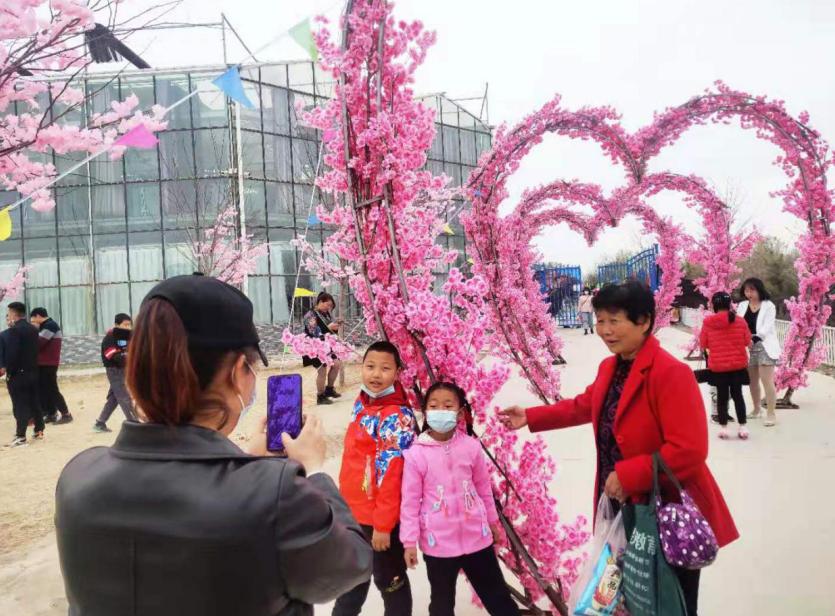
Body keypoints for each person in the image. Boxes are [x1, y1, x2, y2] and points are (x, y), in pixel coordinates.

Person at [55, 273, 372, 616]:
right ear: (238, 371)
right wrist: (313, 471)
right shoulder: (277, 494)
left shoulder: (78, 477)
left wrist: (243, 462)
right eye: (252, 369)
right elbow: (350, 564)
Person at [499, 281, 738, 616]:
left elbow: (689, 450)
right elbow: (585, 405)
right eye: (600, 321)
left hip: (663, 510)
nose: (605, 331)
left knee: (670, 599)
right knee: (632, 595)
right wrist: (532, 415)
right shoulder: (610, 367)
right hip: (621, 506)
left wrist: (628, 476)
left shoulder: (671, 373)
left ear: (643, 321)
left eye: (614, 321)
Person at [400, 382, 519, 616]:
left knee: (498, 598)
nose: (440, 410)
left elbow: (484, 489)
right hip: (439, 545)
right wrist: (409, 542)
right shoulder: (416, 455)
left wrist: (493, 523)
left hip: (477, 538)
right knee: (442, 604)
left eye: (447, 405)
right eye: (433, 406)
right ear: (425, 412)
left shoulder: (471, 447)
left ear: (460, 412)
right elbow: (410, 502)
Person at [333, 340, 416, 616]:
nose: (376, 375)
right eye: (370, 366)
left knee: (389, 581)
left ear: (397, 373)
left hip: (381, 521)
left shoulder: (397, 416)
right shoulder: (362, 402)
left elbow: (393, 475)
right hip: (353, 515)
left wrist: (383, 525)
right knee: (350, 583)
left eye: (384, 368)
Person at [700, 292, 751, 440]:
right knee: (738, 396)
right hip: (737, 365)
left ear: (714, 305)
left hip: (719, 367)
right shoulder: (740, 321)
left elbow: (703, 343)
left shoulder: (708, 322)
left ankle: (724, 428)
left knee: (722, 397)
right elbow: (747, 340)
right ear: (729, 305)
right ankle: (743, 427)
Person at [737, 277, 781, 427]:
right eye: (746, 290)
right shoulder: (742, 305)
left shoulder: (769, 306)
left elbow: (766, 328)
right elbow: (738, 325)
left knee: (766, 380)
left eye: (752, 290)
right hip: (748, 347)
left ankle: (771, 413)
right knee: (752, 381)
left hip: (764, 346)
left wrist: (753, 339)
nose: (749, 293)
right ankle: (756, 410)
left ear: (759, 289)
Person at [0, 302, 42, 447]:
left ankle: (21, 437)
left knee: (20, 405)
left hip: (18, 374)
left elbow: (12, 354)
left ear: (13, 313)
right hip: (33, 371)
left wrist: (8, 370)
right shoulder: (33, 329)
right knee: (33, 401)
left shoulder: (13, 331)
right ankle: (39, 430)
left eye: (9, 313)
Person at [93, 313, 136, 432]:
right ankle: (135, 426)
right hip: (114, 370)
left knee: (114, 397)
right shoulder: (110, 337)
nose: (127, 327)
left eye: (129, 325)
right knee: (124, 397)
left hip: (124, 369)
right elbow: (112, 355)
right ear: (117, 325)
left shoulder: (128, 336)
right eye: (125, 325)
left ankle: (100, 423)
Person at [29, 307, 73, 424]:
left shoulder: (50, 325)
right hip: (43, 363)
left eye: (33, 319)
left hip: (49, 363)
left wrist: (33, 332)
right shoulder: (45, 326)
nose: (32, 321)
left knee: (52, 389)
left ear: (38, 316)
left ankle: (66, 414)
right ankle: (51, 413)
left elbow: (38, 343)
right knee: (43, 389)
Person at [302, 292, 344, 405]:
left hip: (326, 345)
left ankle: (329, 389)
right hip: (313, 347)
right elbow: (313, 332)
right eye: (328, 305)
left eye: (331, 306)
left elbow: (328, 331)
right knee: (322, 370)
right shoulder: (310, 315)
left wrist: (335, 326)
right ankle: (320, 396)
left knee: (337, 364)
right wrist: (328, 327)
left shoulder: (324, 314)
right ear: (320, 302)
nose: (329, 308)